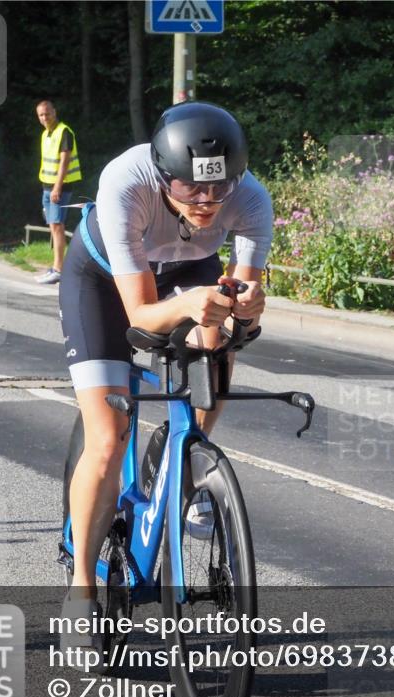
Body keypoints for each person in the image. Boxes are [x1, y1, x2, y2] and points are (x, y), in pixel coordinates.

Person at [58, 102, 271, 642]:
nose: (206, 202)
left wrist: (243, 305)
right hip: (105, 281)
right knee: (107, 439)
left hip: (186, 269)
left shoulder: (250, 199)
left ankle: (191, 463)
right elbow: (142, 316)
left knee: (219, 343)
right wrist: (193, 303)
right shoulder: (125, 183)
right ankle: (81, 589)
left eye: (219, 188)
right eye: (190, 188)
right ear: (161, 173)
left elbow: (238, 294)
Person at [36, 100, 82, 284]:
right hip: (47, 186)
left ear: (54, 112)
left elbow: (64, 162)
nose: (45, 117)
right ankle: (55, 267)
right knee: (53, 226)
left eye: (47, 113)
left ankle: (58, 269)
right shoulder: (46, 134)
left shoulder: (64, 132)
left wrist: (57, 187)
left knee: (57, 225)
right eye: (41, 115)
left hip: (59, 188)